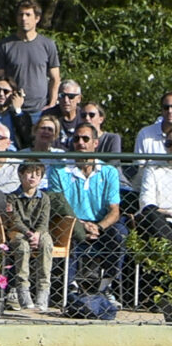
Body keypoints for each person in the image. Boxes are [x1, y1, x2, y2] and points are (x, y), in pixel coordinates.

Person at [47, 122, 127, 306]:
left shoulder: (109, 172)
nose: (80, 143)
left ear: (95, 143)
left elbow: (114, 210)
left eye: (85, 138)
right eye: (76, 139)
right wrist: (81, 225)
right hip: (71, 222)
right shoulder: (59, 171)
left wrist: (98, 227)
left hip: (101, 224)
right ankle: (71, 288)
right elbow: (59, 207)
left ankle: (106, 287)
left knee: (120, 234)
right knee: (68, 230)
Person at [0, 0, 61, 121]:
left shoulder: (48, 45)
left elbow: (55, 78)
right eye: (21, 14)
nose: (23, 18)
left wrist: (52, 104)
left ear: (37, 18)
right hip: (11, 109)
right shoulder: (5, 45)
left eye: (28, 15)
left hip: (40, 111)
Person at [4, 162, 53, 312]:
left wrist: (37, 234)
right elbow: (14, 220)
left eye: (37, 175)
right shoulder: (12, 198)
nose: (33, 177)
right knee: (22, 246)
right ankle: (23, 289)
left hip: (38, 232)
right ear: (20, 175)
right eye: (29, 173)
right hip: (19, 232)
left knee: (47, 243)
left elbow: (44, 221)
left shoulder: (44, 198)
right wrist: (28, 233)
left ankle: (43, 291)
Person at [137, 126, 172, 241]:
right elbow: (147, 203)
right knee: (152, 215)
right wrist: (168, 213)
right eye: (169, 143)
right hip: (161, 220)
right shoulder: (153, 168)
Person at [42, 79, 82, 147]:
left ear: (79, 99)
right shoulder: (48, 115)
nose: (66, 100)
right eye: (62, 95)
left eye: (71, 96)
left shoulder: (85, 116)